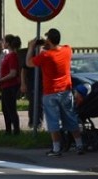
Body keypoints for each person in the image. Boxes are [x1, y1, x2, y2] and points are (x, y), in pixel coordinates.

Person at [26, 28, 84, 156]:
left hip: (50, 92)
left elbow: (29, 63)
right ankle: (80, 145)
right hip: (66, 91)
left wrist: (31, 47)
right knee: (71, 119)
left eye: (47, 39)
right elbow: (60, 47)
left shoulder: (46, 56)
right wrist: (47, 45)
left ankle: (56, 149)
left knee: (53, 121)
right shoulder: (67, 50)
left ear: (49, 40)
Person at [0, 35, 21, 136]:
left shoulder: (12, 55)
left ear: (8, 43)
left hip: (10, 86)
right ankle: (8, 130)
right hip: (5, 86)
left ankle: (16, 131)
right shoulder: (8, 55)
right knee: (5, 109)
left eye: (4, 41)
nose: (2, 43)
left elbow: (13, 73)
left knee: (11, 109)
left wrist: (0, 80)